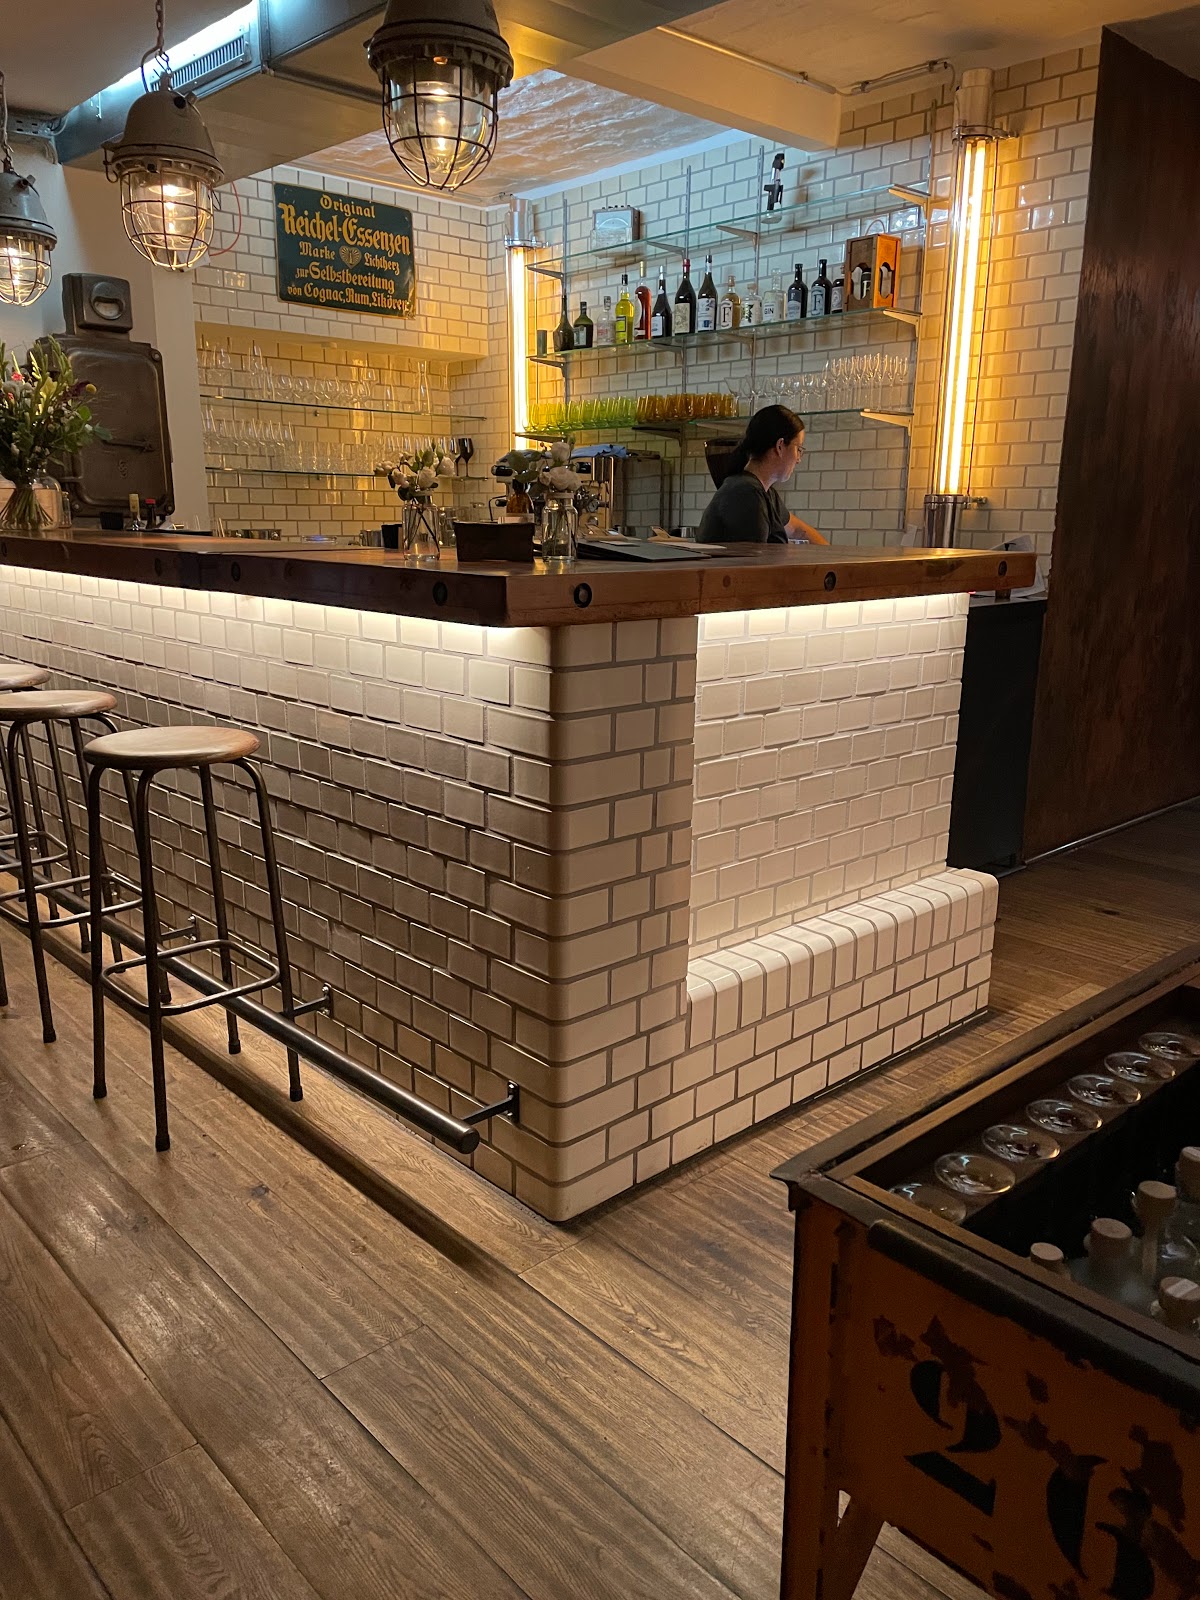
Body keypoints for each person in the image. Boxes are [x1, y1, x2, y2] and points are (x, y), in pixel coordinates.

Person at [698, 404, 826, 545]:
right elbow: (754, 557)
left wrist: (831, 553)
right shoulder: (746, 494)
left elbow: (797, 530)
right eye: (798, 449)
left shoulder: (764, 493)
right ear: (780, 446)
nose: (798, 459)